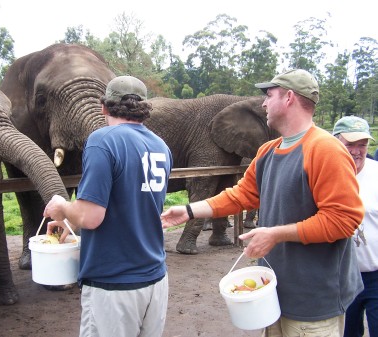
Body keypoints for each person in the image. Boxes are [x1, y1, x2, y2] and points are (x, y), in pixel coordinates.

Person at [161, 69, 365, 336]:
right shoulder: (269, 151)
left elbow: (344, 220)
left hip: (314, 299)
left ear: (289, 98)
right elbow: (240, 195)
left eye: (269, 95)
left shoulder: (326, 150)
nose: (265, 103)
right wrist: (188, 211)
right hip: (273, 292)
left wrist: (276, 235)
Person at [43, 75, 173, 337]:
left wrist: (61, 206)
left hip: (114, 284)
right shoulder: (161, 146)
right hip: (155, 279)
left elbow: (90, 218)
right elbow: (130, 203)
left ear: (103, 106)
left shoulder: (102, 140)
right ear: (144, 108)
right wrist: (71, 220)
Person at [333, 116, 378, 337]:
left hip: (375, 275)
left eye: (362, 144)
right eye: (349, 144)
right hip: (339, 275)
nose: (356, 151)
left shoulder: (376, 174)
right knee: (347, 333)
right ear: (334, 143)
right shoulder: (323, 174)